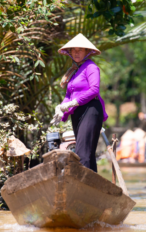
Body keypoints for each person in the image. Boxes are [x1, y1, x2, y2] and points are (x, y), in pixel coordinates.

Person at [50, 34, 108, 172]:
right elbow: (69, 94)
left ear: (87, 52)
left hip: (91, 110)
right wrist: (60, 108)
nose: (76, 52)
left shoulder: (91, 67)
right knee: (85, 153)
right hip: (78, 112)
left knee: (83, 153)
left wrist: (73, 103)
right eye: (73, 50)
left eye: (80, 50)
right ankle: (93, 187)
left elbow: (94, 89)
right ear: (69, 52)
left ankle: (83, 186)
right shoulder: (74, 71)